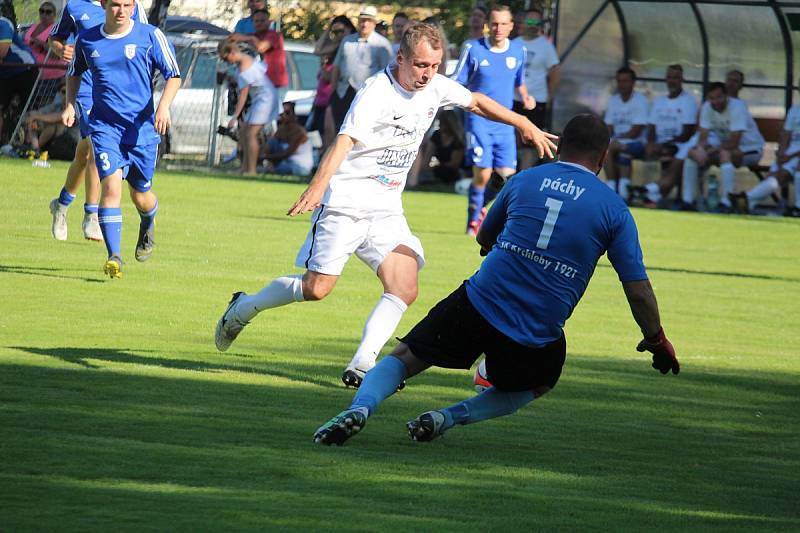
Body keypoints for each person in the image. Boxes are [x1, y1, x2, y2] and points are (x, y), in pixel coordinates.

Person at [214, 22, 557, 391]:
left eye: (435, 66)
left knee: (404, 285)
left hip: (386, 208)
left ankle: (363, 363)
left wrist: (521, 121)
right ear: (401, 58)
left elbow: (475, 101)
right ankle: (245, 306)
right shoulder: (377, 91)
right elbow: (344, 141)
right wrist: (317, 187)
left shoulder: (436, 86)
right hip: (346, 202)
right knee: (317, 289)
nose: (428, 74)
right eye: (421, 65)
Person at [312, 113, 680, 446]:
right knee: (538, 382)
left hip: (481, 299)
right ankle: (448, 416)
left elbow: (484, 238)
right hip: (537, 327)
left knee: (407, 356)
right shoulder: (613, 209)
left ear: (561, 145)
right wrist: (656, 339)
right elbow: (637, 289)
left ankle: (361, 408)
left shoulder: (525, 180)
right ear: (603, 156)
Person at [62, 0, 181, 278]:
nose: (122, 10)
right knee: (111, 189)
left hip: (141, 131)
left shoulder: (150, 36)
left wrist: (163, 106)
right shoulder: (87, 39)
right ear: (104, 4)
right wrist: (70, 104)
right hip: (104, 128)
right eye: (116, 4)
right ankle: (114, 256)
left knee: (140, 196)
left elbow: (173, 75)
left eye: (128, 4)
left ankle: (147, 222)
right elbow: (74, 73)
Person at [47, 0, 148, 242]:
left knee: (83, 154)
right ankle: (92, 215)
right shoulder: (74, 6)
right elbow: (55, 38)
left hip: (117, 92)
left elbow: (145, 42)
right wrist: (61, 49)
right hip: (86, 88)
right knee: (96, 145)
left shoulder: (131, 6)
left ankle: (61, 204)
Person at [452, 4, 536, 235]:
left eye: (503, 24)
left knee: (507, 178)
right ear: (489, 24)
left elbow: (518, 82)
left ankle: (481, 210)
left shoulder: (519, 51)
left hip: (505, 124)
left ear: (511, 26)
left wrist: (526, 97)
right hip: (478, 121)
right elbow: (457, 81)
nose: (498, 28)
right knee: (484, 174)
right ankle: (472, 222)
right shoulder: (472, 48)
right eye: (495, 23)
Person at [680, 82, 764, 213]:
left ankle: (726, 202)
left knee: (725, 154)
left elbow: (734, 143)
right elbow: (703, 138)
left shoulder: (737, 107)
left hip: (751, 150)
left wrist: (710, 151)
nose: (716, 101)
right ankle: (688, 201)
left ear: (726, 96)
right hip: (725, 149)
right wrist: (700, 151)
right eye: (712, 98)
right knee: (692, 154)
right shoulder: (707, 107)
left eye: (719, 97)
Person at [730, 81, 800, 217]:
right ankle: (748, 202)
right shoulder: (795, 110)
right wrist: (781, 154)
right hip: (790, 155)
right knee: (774, 177)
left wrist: (790, 157)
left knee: (794, 170)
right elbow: (786, 135)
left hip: (795, 157)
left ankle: (746, 199)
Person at [631, 65, 697, 207]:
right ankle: (654, 196)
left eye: (675, 77)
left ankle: (649, 191)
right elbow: (652, 127)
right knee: (625, 151)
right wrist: (650, 143)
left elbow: (687, 133)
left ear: (682, 79)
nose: (672, 81)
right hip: (660, 145)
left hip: (679, 144)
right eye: (669, 77)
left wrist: (665, 144)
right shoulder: (659, 101)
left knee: (670, 154)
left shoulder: (688, 101)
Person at [219, 39, 279, 176]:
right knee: (244, 132)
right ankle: (244, 168)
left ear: (232, 52)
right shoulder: (246, 58)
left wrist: (234, 117)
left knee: (251, 134)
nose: (226, 61)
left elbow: (243, 96)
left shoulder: (243, 67)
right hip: (260, 98)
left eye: (226, 58)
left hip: (265, 98)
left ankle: (251, 170)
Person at [329, 5, 393, 133]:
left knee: (361, 131)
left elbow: (388, 74)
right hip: (343, 91)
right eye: (362, 20)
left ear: (374, 23)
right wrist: (332, 92)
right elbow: (336, 66)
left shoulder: (382, 44)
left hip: (367, 95)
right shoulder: (347, 41)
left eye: (369, 21)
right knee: (340, 129)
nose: (365, 24)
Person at [513, 6, 560, 170]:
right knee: (511, 140)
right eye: (530, 21)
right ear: (523, 23)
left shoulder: (546, 46)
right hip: (513, 100)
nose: (533, 25)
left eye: (537, 22)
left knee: (530, 143)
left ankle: (522, 179)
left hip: (537, 101)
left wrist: (548, 98)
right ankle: (504, 179)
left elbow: (555, 73)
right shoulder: (513, 44)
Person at [602, 66, 649, 201]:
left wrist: (616, 140)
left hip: (638, 143)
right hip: (619, 144)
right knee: (617, 151)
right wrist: (611, 139)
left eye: (625, 81)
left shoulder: (641, 100)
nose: (621, 85)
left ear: (633, 83)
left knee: (611, 147)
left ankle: (611, 188)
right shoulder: (613, 100)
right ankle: (622, 191)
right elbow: (609, 126)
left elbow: (636, 131)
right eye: (619, 81)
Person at [0, 10, 35, 144]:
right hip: (5, 73)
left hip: (24, 68)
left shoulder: (3, 24)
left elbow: (2, 52)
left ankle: (33, 146)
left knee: (28, 109)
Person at [230, 8, 287, 90]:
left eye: (262, 21)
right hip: (260, 84)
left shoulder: (274, 35)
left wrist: (251, 38)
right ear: (252, 23)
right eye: (256, 21)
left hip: (276, 84)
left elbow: (261, 48)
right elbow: (233, 37)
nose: (259, 23)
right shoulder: (253, 35)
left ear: (269, 22)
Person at [23, 2, 66, 97]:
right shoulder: (33, 27)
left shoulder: (57, 30)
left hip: (51, 76)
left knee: (43, 108)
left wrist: (42, 44)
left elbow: (59, 54)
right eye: (41, 11)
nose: (44, 15)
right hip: (33, 74)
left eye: (48, 12)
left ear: (54, 15)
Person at [416, 109, 465, 183]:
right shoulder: (436, 136)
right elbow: (427, 158)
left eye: (442, 122)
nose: (440, 125)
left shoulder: (457, 140)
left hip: (452, 172)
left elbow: (454, 164)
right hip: (437, 169)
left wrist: (435, 167)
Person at [264, 101, 313, 176]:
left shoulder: (300, 132)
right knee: (272, 142)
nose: (283, 116)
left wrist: (264, 157)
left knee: (280, 168)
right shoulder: (281, 129)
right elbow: (270, 144)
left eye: (287, 113)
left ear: (293, 114)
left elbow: (287, 154)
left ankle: (270, 168)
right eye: (281, 113)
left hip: (300, 167)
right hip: (288, 162)